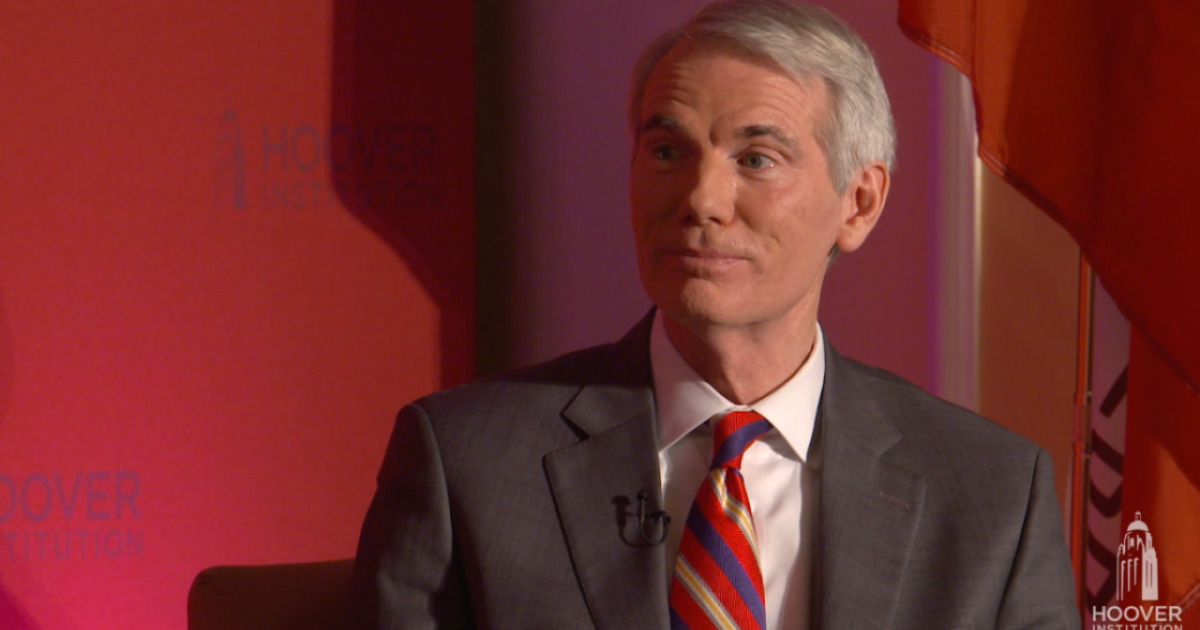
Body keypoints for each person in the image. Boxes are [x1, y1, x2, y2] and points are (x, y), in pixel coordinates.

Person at [346, 1, 1081, 628]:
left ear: (858, 204)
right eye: (666, 150)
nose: (700, 199)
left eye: (756, 159)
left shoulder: (992, 495)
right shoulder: (467, 464)